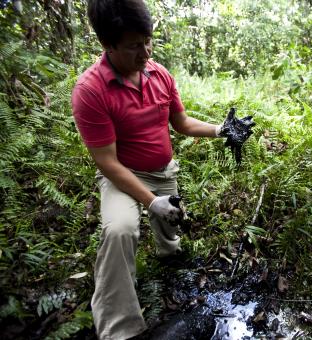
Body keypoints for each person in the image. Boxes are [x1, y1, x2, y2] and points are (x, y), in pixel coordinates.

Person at [71, 1, 251, 339]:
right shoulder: (90, 90)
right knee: (120, 230)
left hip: (162, 170)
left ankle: (169, 253)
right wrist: (150, 201)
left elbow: (180, 123)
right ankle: (119, 328)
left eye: (148, 41)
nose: (145, 52)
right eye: (134, 46)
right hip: (121, 176)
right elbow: (107, 162)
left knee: (170, 227)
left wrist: (220, 130)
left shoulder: (159, 74)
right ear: (107, 45)